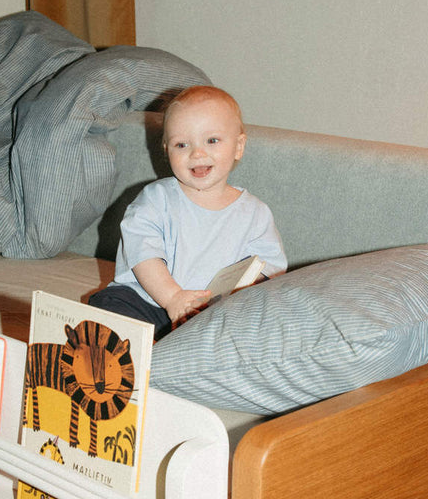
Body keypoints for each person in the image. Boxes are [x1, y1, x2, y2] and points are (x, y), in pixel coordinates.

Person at [89, 85, 287, 338]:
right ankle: (129, 350)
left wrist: (232, 301)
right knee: (108, 305)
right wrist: (173, 298)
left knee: (261, 321)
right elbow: (142, 254)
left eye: (212, 140)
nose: (197, 153)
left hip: (213, 314)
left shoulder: (255, 213)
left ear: (238, 146)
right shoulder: (156, 199)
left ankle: (185, 351)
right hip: (150, 302)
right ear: (166, 150)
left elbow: (269, 269)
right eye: (181, 144)